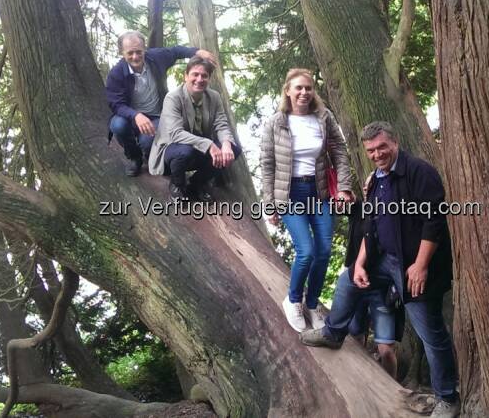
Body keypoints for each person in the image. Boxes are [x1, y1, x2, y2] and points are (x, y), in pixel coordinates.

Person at [301, 121, 459, 418]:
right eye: (371, 150)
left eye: (382, 147)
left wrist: (421, 266)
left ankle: (448, 398)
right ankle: (334, 333)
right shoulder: (377, 180)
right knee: (348, 278)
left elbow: (434, 221)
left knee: (431, 334)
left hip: (415, 266)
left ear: (395, 142)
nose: (376, 154)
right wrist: (361, 261)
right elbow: (371, 225)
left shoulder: (418, 172)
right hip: (385, 259)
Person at [260, 69, 355, 332]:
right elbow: (267, 165)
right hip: (290, 195)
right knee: (307, 251)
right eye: (298, 88)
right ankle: (292, 300)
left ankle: (312, 305)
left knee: (324, 251)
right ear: (288, 91)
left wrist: (344, 187)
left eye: (308, 88)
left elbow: (340, 152)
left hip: (320, 193)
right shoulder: (276, 122)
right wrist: (269, 203)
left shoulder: (323, 118)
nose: (304, 93)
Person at [105, 31, 215, 176]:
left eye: (139, 52)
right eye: (130, 53)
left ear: (145, 49)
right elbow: (116, 104)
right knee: (117, 125)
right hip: (131, 117)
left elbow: (176, 51)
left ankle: (151, 156)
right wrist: (135, 115)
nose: (135, 57)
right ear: (122, 52)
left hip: (157, 116)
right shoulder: (116, 73)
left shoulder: (156, 58)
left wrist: (198, 52)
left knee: (147, 142)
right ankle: (134, 157)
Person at [148, 56, 240, 200]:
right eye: (195, 74)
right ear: (186, 76)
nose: (199, 79)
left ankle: (197, 184)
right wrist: (209, 144)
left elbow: (221, 124)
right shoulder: (173, 98)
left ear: (209, 78)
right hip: (172, 149)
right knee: (185, 151)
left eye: (204, 76)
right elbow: (176, 134)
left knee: (233, 149)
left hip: (198, 149)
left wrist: (227, 144)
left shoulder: (214, 97)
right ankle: (177, 184)